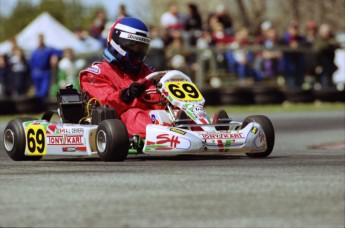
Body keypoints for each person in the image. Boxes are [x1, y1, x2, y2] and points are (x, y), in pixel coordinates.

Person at [80, 17, 156, 138]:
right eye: (132, 46)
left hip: (152, 116)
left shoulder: (147, 72)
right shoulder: (95, 74)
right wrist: (127, 95)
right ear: (116, 42)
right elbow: (105, 102)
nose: (137, 51)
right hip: (117, 122)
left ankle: (187, 128)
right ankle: (162, 134)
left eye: (141, 47)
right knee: (134, 114)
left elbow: (155, 99)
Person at [29, 34, 62, 100]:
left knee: (44, 90)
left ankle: (43, 105)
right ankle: (39, 106)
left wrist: (55, 56)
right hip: (36, 73)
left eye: (41, 39)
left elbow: (60, 52)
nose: (40, 41)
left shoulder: (48, 49)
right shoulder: (34, 51)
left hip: (45, 72)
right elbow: (31, 63)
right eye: (39, 39)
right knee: (37, 91)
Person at [313, 23, 339, 88]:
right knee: (324, 82)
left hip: (330, 65)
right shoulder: (318, 40)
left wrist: (331, 43)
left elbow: (337, 44)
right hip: (322, 66)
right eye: (325, 32)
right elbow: (318, 49)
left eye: (328, 32)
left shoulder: (332, 38)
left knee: (330, 82)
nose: (327, 33)